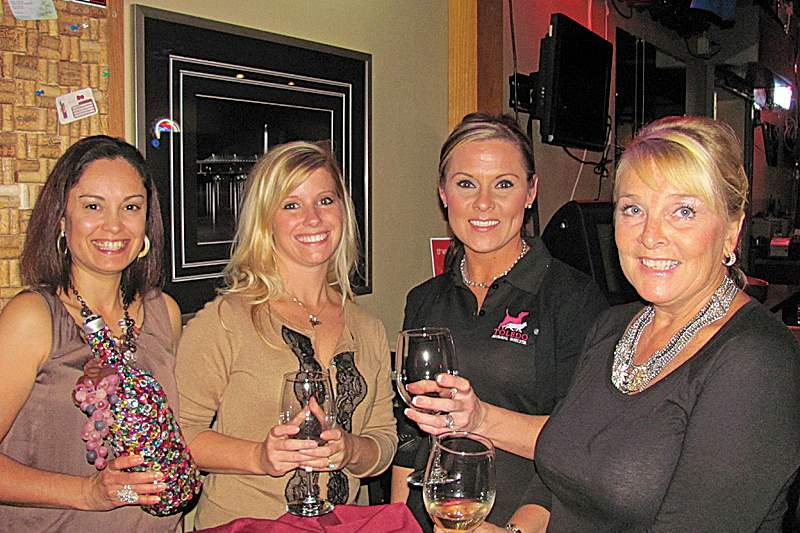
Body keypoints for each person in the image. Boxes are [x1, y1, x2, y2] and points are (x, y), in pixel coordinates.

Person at [411, 115, 800, 532]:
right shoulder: (615, 329)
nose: (650, 235)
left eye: (683, 211)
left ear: (732, 230)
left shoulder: (756, 362)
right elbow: (561, 475)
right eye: (634, 209)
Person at [392, 113, 609, 531]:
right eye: (466, 184)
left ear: (531, 192)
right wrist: (398, 522)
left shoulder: (573, 299)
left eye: (504, 184)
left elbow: (581, 444)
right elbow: (409, 437)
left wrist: (516, 529)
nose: (483, 203)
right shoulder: (423, 299)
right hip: (429, 519)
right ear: (443, 193)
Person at [175, 140, 397, 529]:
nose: (313, 218)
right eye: (291, 205)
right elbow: (179, 437)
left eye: (325, 200)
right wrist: (259, 457)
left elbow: (383, 442)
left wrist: (350, 449)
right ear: (265, 220)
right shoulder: (226, 320)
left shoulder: (369, 328)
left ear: (343, 211)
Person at [0, 136, 186, 531]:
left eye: (130, 207)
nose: (114, 225)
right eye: (92, 206)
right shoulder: (33, 317)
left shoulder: (162, 312)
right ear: (61, 219)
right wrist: (88, 493)